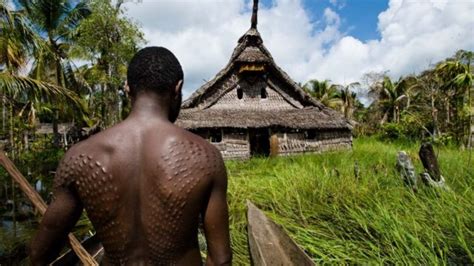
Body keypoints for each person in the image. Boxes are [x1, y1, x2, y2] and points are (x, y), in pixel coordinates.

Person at [30, 47, 232, 265]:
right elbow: (220, 260)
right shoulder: (205, 157)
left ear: (127, 88)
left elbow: (40, 254)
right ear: (178, 88)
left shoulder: (80, 156)